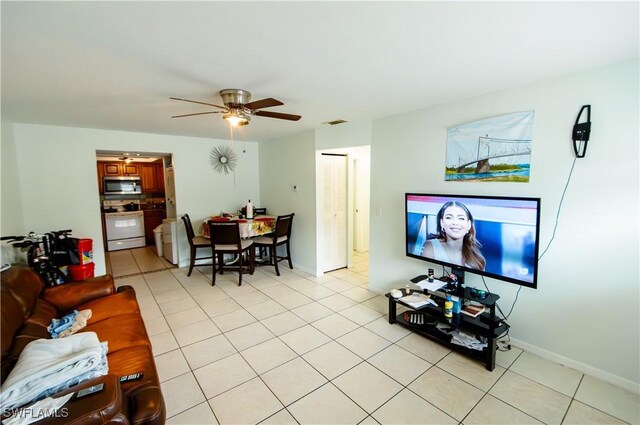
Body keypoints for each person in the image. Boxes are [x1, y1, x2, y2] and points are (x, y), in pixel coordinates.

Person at [422, 201, 486, 270]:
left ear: (468, 225)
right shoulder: (430, 246)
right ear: (442, 223)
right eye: (449, 217)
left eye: (461, 218)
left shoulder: (477, 259)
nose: (455, 223)